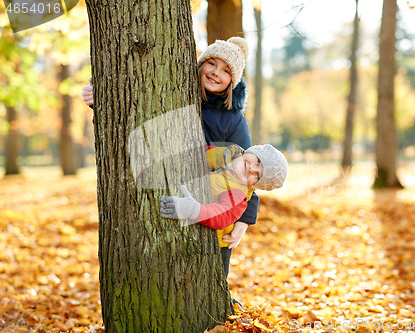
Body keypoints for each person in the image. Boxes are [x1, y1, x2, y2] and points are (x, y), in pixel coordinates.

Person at [81, 37, 259, 304]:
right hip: (162, 187)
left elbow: (248, 172)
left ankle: (217, 308)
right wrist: (100, 101)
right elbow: (133, 113)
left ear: (232, 82)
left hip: (215, 206)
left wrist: (246, 220)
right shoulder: (174, 91)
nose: (215, 72)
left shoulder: (233, 118)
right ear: (199, 65)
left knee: (211, 275)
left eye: (225, 71)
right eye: (211, 63)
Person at [160, 144, 288, 276]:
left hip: (216, 247)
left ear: (254, 185)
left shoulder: (238, 193)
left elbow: (222, 215)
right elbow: (201, 156)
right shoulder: (228, 154)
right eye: (258, 161)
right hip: (199, 235)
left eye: (257, 175)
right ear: (253, 151)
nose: (251, 168)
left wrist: (193, 209)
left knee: (207, 278)